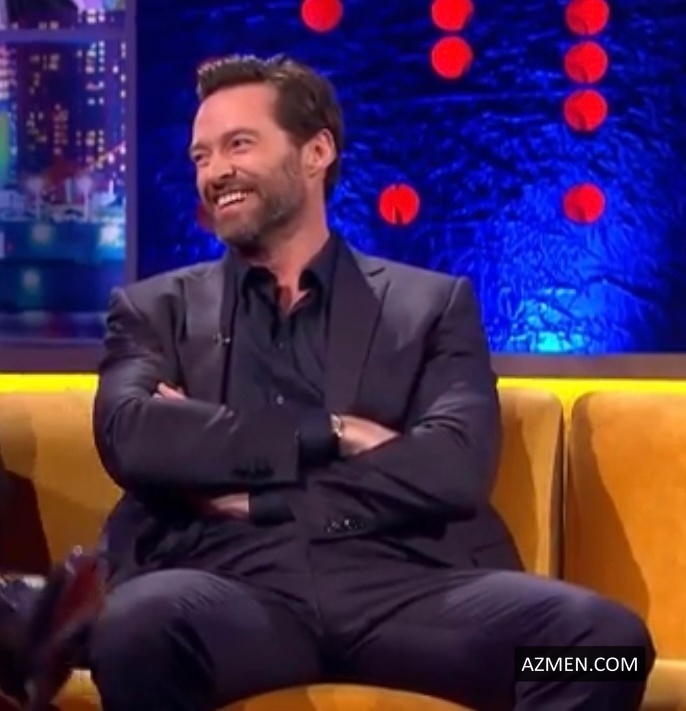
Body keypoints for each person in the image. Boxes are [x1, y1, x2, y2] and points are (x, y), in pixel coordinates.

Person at [2, 54, 654, 710]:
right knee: (135, 628)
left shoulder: (428, 306)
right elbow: (133, 437)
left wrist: (258, 497)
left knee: (605, 646)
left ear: (316, 152)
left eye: (239, 144)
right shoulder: (156, 311)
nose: (214, 171)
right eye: (201, 155)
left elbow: (453, 466)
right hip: (224, 589)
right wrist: (332, 431)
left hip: (407, 591)